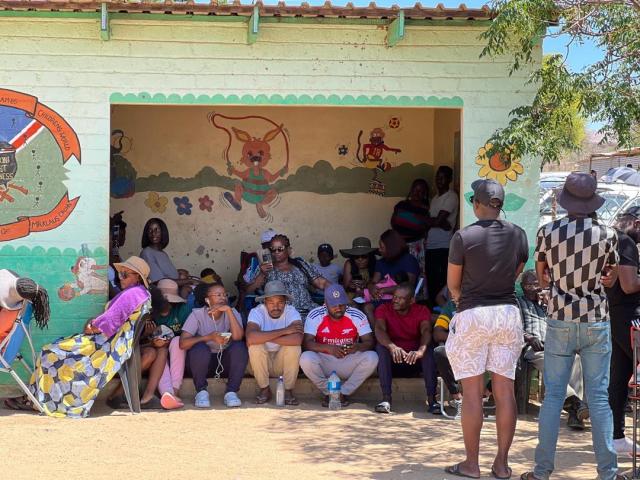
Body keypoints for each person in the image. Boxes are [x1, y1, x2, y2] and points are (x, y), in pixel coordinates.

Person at [522, 172, 624, 480]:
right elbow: (611, 277)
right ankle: (608, 473)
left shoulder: (548, 232)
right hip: (595, 320)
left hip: (560, 318)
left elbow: (541, 278)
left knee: (553, 397)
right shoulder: (607, 233)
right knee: (598, 397)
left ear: (566, 201)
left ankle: (542, 472)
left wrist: (559, 279)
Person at [444, 179, 528, 480]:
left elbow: (453, 284)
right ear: (500, 205)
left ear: (477, 204)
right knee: (505, 391)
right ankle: (502, 465)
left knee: (472, 393)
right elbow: (517, 272)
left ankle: (471, 464)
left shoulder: (463, 237)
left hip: (473, 314)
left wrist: (460, 299)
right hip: (507, 313)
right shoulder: (518, 234)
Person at [5, 257, 151, 417]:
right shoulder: (141, 294)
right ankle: (34, 397)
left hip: (105, 345)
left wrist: (92, 326)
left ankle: (41, 400)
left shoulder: (132, 294)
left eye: (125, 275)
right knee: (57, 347)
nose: (120, 277)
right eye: (120, 274)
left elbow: (108, 322)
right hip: (111, 343)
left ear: (137, 276)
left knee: (50, 353)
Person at [516, 270, 587, 430]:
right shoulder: (518, 303)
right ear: (522, 287)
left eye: (536, 284)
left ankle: (575, 412)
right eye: (529, 285)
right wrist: (528, 337)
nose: (534, 288)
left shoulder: (547, 303)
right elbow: (512, 327)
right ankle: (576, 403)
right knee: (552, 363)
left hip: (555, 345)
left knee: (576, 359)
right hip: (534, 347)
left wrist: (550, 304)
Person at [299, 284, 378, 406]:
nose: (338, 308)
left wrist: (356, 347)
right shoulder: (315, 315)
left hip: (348, 360)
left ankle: (343, 393)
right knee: (306, 358)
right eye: (334, 305)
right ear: (325, 303)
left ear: (346, 302)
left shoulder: (356, 315)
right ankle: (330, 393)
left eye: (341, 304)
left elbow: (369, 342)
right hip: (325, 361)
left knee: (372, 357)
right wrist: (329, 348)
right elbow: (306, 343)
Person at [179, 283, 248, 408]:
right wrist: (209, 337)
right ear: (207, 299)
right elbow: (183, 343)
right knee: (199, 347)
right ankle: (201, 391)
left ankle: (231, 392)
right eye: (218, 295)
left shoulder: (232, 312)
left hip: (224, 362)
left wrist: (228, 311)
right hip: (201, 364)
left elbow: (238, 337)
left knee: (239, 347)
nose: (223, 298)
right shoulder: (197, 314)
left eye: (224, 295)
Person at [606, 206, 640, 456]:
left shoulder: (610, 241)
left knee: (618, 380)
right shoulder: (626, 243)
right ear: (637, 223)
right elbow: (629, 286)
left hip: (616, 316)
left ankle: (616, 437)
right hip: (631, 319)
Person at [373, 283, 438, 414]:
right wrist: (392, 346)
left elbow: (426, 331)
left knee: (428, 348)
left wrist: (420, 351)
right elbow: (379, 329)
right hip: (393, 362)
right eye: (394, 297)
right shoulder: (383, 309)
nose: (395, 300)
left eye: (400, 298)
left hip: (414, 361)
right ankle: (386, 399)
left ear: (411, 301)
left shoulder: (421, 310)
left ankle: (432, 400)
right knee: (381, 347)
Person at [246, 280, 303, 405]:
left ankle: (288, 389)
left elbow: (297, 339)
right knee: (255, 346)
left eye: (280, 302)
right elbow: (250, 338)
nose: (276, 307)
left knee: (294, 347)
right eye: (271, 302)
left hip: (281, 363)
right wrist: (285, 331)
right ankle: (264, 389)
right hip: (259, 364)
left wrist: (263, 336)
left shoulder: (291, 312)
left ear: (285, 302)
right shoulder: (257, 312)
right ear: (265, 302)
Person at [247, 234, 330, 320]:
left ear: (288, 250)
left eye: (280, 249)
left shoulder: (301, 264)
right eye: (273, 249)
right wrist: (262, 274)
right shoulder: (264, 268)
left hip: (308, 312)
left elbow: (321, 283)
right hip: (281, 316)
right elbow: (249, 291)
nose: (276, 252)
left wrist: (336, 292)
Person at [155, 279, 194, 410]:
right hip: (158, 350)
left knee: (177, 342)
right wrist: (152, 340)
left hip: (179, 351)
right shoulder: (149, 312)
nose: (169, 304)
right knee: (160, 354)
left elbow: (188, 335)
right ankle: (168, 394)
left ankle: (174, 391)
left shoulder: (182, 309)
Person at [425, 165, 458, 306]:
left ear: (449, 179)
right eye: (438, 177)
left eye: (443, 178)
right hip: (431, 245)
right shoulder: (435, 198)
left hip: (444, 246)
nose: (439, 180)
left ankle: (441, 313)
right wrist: (437, 222)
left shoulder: (451, 196)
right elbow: (436, 221)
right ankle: (433, 311)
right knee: (431, 280)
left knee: (441, 280)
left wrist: (435, 221)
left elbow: (437, 220)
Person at [391, 179, 430, 294]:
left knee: (417, 272)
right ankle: (400, 297)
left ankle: (417, 298)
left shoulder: (425, 209)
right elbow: (394, 222)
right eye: (415, 190)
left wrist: (407, 220)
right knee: (401, 274)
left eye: (421, 191)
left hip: (417, 246)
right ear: (411, 190)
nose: (417, 193)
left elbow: (424, 226)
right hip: (400, 246)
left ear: (424, 194)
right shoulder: (401, 205)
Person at [139, 217, 196, 287]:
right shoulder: (147, 253)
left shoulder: (162, 253)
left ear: (163, 232)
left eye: (157, 230)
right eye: (150, 230)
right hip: (164, 295)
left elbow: (164, 274)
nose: (153, 233)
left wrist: (178, 272)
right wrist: (190, 281)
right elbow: (160, 282)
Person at [432, 299, 463, 417]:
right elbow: (437, 333)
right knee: (440, 352)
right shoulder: (451, 306)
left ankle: (483, 396)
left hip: (480, 350)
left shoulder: (481, 304)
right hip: (458, 348)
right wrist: (460, 341)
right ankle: (457, 398)